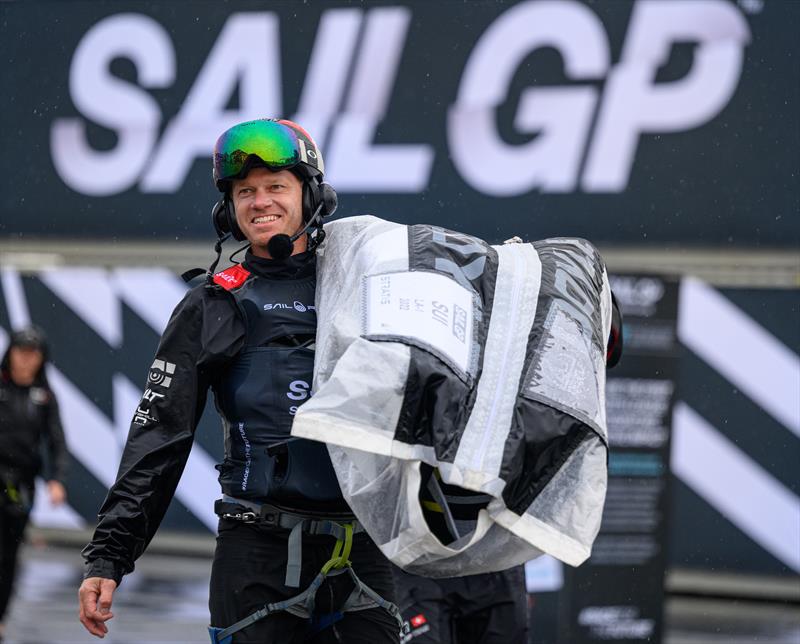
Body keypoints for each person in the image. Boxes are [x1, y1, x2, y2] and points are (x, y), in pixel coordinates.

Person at [77, 118, 401, 643]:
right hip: (256, 556)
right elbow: (158, 436)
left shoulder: (371, 287)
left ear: (311, 194)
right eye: (244, 191)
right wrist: (109, 556)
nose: (259, 201)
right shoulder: (214, 303)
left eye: (276, 186)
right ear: (227, 209)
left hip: (365, 551)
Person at [1, 326, 68, 641]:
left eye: (33, 354)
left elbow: (56, 440)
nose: (26, 360)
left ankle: (0, 614)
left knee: (9, 553)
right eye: (21, 352)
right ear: (10, 353)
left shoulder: (45, 396)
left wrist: (56, 478)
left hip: (21, 484)